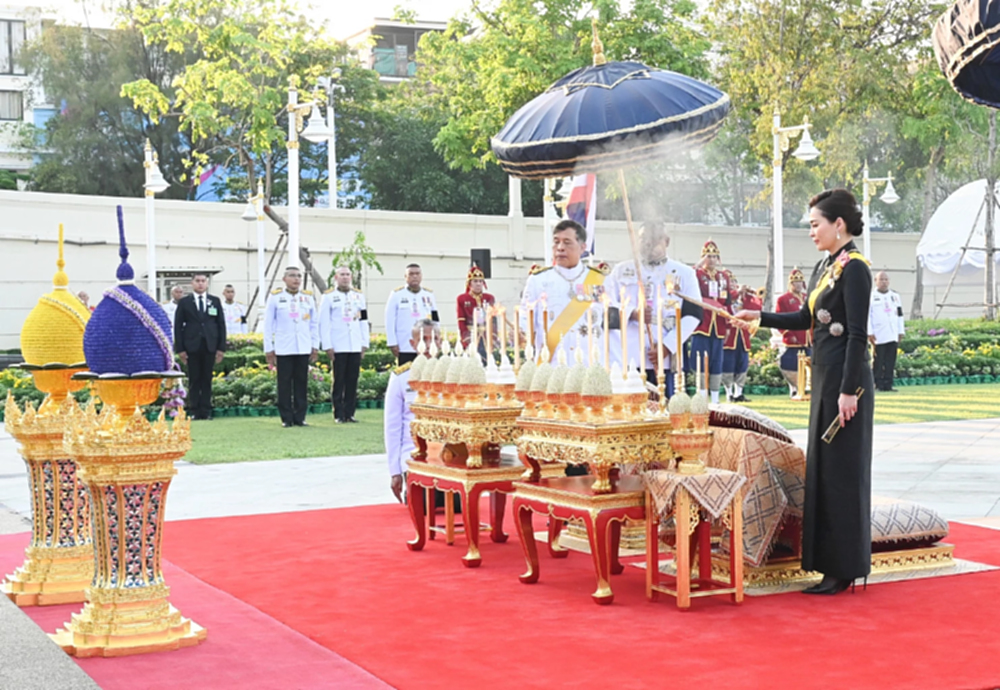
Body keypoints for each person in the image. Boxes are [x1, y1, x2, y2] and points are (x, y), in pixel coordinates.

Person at [734, 188, 874, 596]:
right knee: (825, 472)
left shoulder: (856, 269)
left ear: (839, 225)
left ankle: (844, 567)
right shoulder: (825, 266)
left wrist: (849, 391)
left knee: (843, 474)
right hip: (825, 379)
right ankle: (826, 562)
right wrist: (757, 317)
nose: (812, 232)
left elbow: (856, 334)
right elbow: (803, 316)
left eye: (816, 224)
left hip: (846, 385)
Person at [604, 220, 701, 397]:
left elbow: (693, 314)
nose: (649, 244)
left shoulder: (684, 273)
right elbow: (604, 309)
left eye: (655, 239)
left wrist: (667, 346)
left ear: (667, 241)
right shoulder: (621, 271)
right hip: (628, 355)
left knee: (664, 409)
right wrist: (631, 313)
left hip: (663, 353)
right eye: (644, 239)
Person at [520, 219, 608, 363]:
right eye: (556, 242)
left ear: (582, 247)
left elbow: (612, 322)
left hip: (589, 366)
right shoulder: (538, 280)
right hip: (551, 365)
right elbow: (525, 319)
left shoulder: (599, 280)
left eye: (567, 242)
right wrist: (520, 334)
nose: (560, 248)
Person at [385, 319, 441, 502]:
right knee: (424, 502)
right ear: (413, 343)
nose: (429, 344)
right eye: (423, 339)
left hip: (447, 459)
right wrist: (395, 472)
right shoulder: (401, 378)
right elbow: (392, 428)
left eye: (435, 339)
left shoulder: (452, 374)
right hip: (414, 457)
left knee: (457, 504)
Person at [263, 267, 319, 428]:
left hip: (302, 346)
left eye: (299, 276)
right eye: (292, 276)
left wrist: (315, 345)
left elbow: (314, 323)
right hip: (284, 347)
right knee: (284, 384)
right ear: (284, 279)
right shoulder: (276, 297)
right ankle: (286, 418)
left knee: (302, 383)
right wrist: (269, 348)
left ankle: (300, 417)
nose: (296, 279)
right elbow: (268, 325)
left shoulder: (307, 298)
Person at [173, 272, 227, 420]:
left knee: (207, 379)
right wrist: (180, 349)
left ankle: (206, 410)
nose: (200, 283)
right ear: (192, 283)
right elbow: (178, 326)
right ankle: (195, 410)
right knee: (194, 379)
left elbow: (221, 324)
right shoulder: (185, 302)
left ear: (207, 283)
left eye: (203, 281)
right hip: (192, 346)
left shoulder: (214, 301)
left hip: (210, 345)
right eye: (197, 281)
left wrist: (221, 348)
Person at [319, 266, 370, 423]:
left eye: (348, 275)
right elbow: (324, 323)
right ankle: (338, 413)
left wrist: (364, 342)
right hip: (338, 344)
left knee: (352, 380)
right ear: (336, 277)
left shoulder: (358, 296)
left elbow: (363, 320)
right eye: (342, 275)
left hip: (354, 343)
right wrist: (327, 345)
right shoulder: (328, 297)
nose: (345, 277)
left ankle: (350, 413)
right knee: (339, 380)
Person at [691, 240, 734, 404]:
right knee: (701, 360)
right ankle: (701, 396)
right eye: (708, 256)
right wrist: (699, 263)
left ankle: (715, 398)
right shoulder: (697, 274)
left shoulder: (722, 277)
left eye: (714, 256)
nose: (712, 260)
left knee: (717, 361)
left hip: (719, 325)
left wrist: (729, 324)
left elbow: (728, 302)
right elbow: (686, 278)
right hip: (703, 324)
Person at [385, 264, 439, 365]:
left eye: (417, 274)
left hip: (426, 345)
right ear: (405, 277)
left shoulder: (428, 294)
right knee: (406, 376)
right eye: (411, 274)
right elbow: (389, 320)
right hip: (405, 344)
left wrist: (436, 339)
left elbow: (435, 319)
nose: (414, 276)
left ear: (421, 276)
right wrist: (392, 342)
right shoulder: (397, 295)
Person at [721, 277, 761, 403]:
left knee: (742, 364)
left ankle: (739, 393)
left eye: (734, 282)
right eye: (730, 282)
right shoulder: (724, 296)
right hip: (730, 336)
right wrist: (737, 293)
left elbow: (756, 308)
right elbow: (724, 302)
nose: (733, 284)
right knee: (728, 365)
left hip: (742, 336)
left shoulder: (743, 298)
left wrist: (752, 295)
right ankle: (729, 393)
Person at [776, 268, 812, 397]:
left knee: (810, 364)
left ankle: (807, 388)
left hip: (807, 339)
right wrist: (788, 334)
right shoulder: (783, 299)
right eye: (795, 282)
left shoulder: (806, 298)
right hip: (793, 339)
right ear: (790, 283)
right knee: (790, 365)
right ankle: (794, 388)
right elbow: (779, 319)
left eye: (800, 282)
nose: (798, 284)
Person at [868, 271, 905, 392]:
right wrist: (869, 332)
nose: (884, 282)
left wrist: (901, 331)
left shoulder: (895, 296)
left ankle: (888, 384)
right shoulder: (871, 297)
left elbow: (900, 314)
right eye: (881, 280)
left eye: (886, 280)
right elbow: (867, 316)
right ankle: (877, 384)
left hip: (892, 332)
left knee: (890, 360)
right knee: (878, 360)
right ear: (876, 281)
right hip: (878, 333)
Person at [456, 264, 495, 355]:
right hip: (471, 334)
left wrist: (493, 336)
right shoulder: (462, 298)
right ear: (469, 283)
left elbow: (493, 320)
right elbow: (461, 320)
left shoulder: (489, 298)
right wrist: (466, 339)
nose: (478, 284)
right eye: (475, 281)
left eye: (480, 281)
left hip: (486, 335)